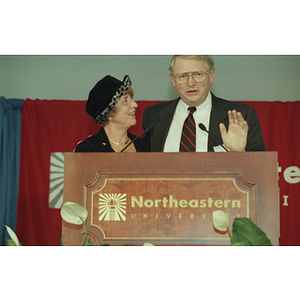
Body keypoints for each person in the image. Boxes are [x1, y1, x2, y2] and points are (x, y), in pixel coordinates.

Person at [142, 55, 266, 152]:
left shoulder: (241, 116)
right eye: (183, 76)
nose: (190, 83)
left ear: (211, 75)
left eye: (198, 74)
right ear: (173, 80)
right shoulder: (154, 116)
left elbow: (260, 172)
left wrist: (239, 153)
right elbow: (144, 167)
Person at [75, 75, 150, 153]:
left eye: (131, 99)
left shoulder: (144, 146)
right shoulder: (89, 149)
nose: (135, 104)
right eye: (125, 101)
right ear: (109, 114)